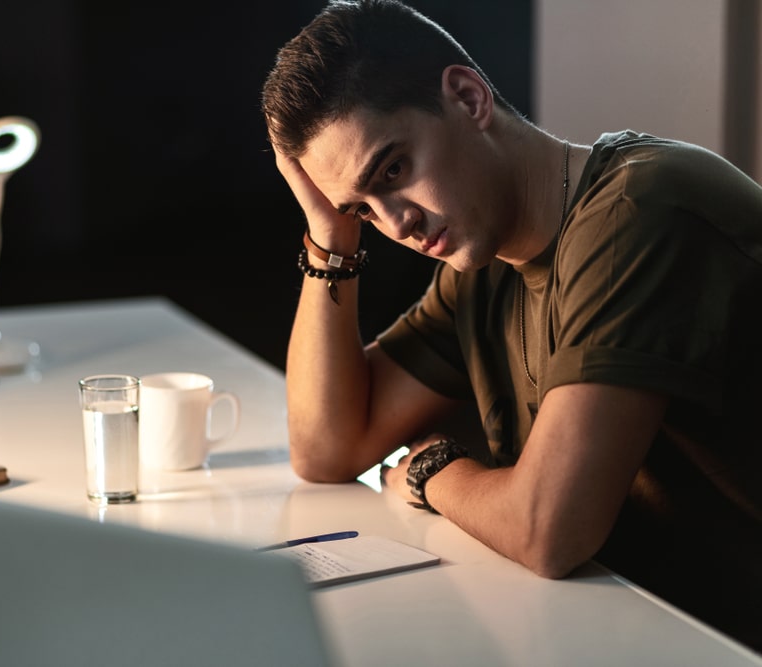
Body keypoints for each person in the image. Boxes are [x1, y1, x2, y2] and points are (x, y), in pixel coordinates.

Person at [261, 0, 762, 653]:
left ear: (468, 98)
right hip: (638, 626)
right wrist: (332, 239)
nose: (396, 225)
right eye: (364, 209)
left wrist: (433, 468)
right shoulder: (484, 267)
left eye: (393, 170)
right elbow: (328, 448)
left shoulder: (641, 213)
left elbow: (548, 529)